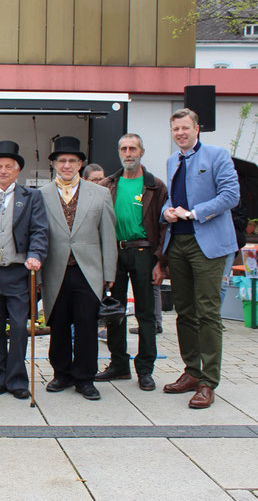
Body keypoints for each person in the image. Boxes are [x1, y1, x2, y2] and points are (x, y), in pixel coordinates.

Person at [161, 108, 239, 409]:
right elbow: (172, 197)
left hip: (206, 243)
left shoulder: (217, 156)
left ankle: (209, 382)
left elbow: (231, 196)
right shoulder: (173, 160)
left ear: (197, 128)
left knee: (208, 312)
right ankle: (192, 371)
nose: (180, 133)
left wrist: (194, 213)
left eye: (185, 128)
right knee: (184, 311)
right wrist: (167, 211)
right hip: (177, 241)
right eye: (175, 129)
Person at [0, 141, 48, 400]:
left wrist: (36, 255)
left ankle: (17, 379)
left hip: (18, 273)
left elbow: (39, 230)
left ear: (17, 170)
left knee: (17, 327)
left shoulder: (32, 197)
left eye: (8, 167)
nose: (3, 171)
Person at [39, 136, 117, 401]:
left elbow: (108, 234)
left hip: (89, 270)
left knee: (86, 325)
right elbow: (38, 235)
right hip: (54, 270)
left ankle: (85, 378)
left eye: (72, 161)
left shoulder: (100, 193)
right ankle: (61, 373)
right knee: (58, 324)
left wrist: (109, 274)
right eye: (62, 161)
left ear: (81, 164)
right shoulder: (42, 194)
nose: (67, 165)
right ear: (54, 164)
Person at [95, 134, 168, 391]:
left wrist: (160, 262)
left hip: (144, 253)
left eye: (133, 148)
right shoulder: (108, 184)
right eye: (124, 149)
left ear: (142, 152)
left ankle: (145, 369)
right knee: (114, 312)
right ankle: (118, 365)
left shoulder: (155, 186)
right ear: (119, 153)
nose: (128, 153)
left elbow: (163, 228)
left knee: (146, 314)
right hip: (115, 253)